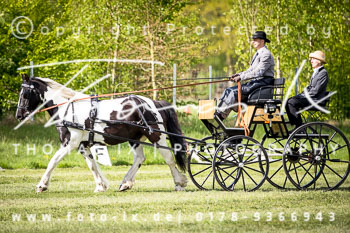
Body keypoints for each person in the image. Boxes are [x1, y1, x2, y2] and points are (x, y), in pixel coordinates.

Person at [216, 31, 275, 120]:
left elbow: (258, 72)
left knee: (232, 92)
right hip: (257, 82)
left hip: (263, 83)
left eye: (256, 40)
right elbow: (251, 70)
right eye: (253, 40)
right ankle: (219, 113)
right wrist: (238, 74)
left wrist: (241, 77)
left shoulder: (266, 54)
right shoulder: (258, 53)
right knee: (228, 90)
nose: (253, 41)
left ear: (262, 41)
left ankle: (220, 116)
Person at [286, 51, 329, 130]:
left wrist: (303, 96)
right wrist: (300, 95)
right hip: (312, 98)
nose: (311, 61)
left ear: (319, 61)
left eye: (313, 59)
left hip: (316, 100)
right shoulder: (316, 72)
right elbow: (310, 88)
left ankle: (299, 127)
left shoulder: (323, 73)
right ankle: (297, 125)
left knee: (292, 102)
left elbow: (315, 91)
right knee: (289, 101)